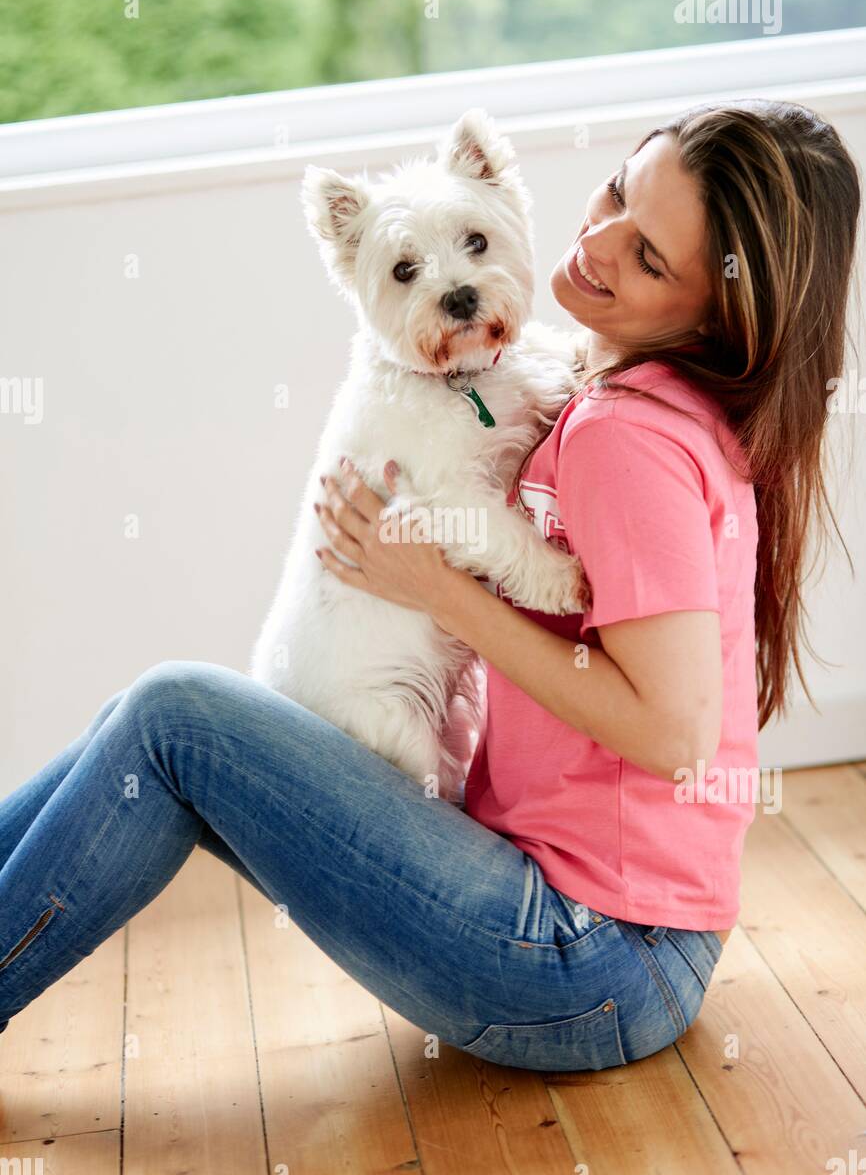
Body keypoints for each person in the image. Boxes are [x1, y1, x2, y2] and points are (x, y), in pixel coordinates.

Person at [0, 100, 859, 1072]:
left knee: (169, 715)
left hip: (589, 956)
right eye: (618, 190)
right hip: (619, 942)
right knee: (145, 722)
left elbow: (671, 737)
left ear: (713, 306)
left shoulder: (624, 437)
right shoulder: (637, 398)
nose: (599, 241)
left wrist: (439, 588)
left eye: (648, 257)